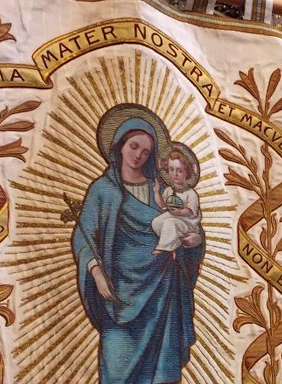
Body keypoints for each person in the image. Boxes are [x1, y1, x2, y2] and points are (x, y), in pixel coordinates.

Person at [72, 105, 205, 383]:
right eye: (134, 146)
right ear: (120, 145)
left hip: (162, 289)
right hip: (119, 294)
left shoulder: (162, 189)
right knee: (116, 368)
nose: (138, 155)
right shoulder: (103, 190)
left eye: (146, 152)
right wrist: (97, 274)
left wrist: (193, 243)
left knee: (160, 371)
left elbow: (186, 228)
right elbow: (83, 236)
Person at [152, 146, 201, 255]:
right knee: (156, 222)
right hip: (173, 216)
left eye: (180, 170)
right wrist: (156, 193)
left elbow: (191, 211)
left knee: (170, 223)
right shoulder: (169, 190)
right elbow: (163, 205)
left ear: (186, 172)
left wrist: (180, 212)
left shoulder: (190, 193)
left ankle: (163, 248)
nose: (175, 174)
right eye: (171, 169)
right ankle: (173, 240)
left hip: (188, 223)